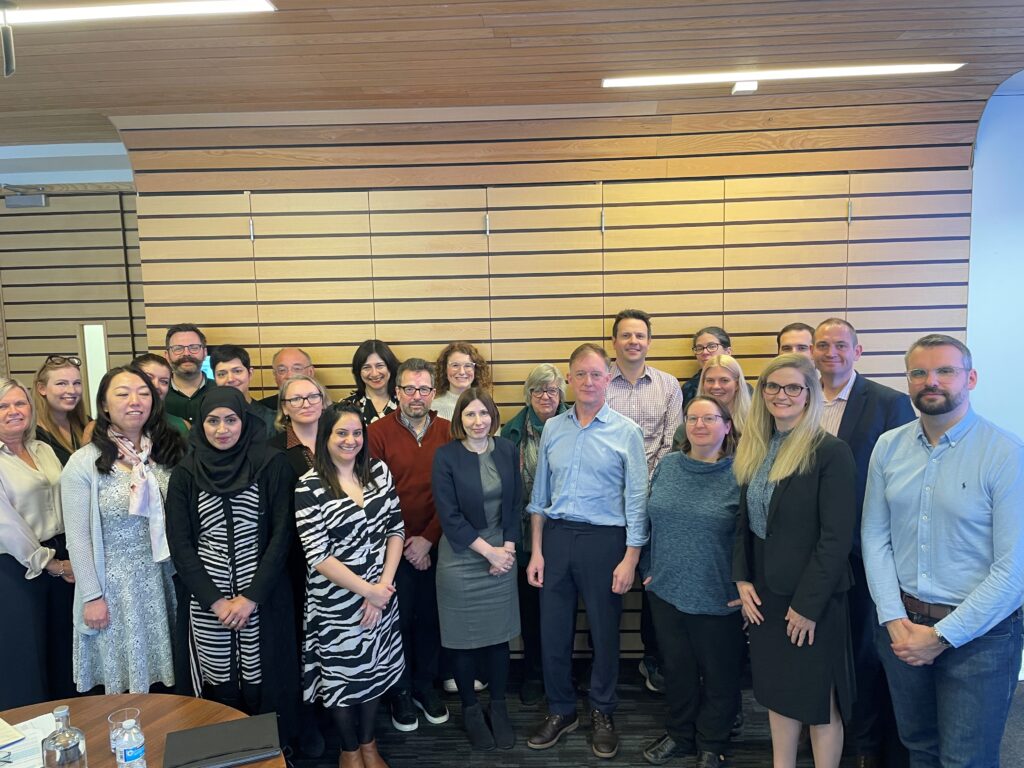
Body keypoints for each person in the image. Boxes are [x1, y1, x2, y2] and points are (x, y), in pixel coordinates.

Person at [862, 334, 1024, 768]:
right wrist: (894, 621)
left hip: (982, 638)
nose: (931, 381)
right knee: (920, 747)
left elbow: (1015, 570)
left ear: (970, 378)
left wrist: (940, 637)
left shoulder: (1006, 454)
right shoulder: (888, 447)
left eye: (945, 371)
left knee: (965, 760)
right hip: (902, 627)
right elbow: (875, 538)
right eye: (919, 373)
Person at [732, 354, 857, 768]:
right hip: (765, 594)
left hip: (812, 599)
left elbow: (836, 539)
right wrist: (742, 579)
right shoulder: (756, 448)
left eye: (792, 388)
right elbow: (743, 523)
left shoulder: (830, 452)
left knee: (819, 701)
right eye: (772, 387)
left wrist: (807, 606)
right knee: (777, 695)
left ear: (809, 395)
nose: (781, 395)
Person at [525, 343, 648, 759]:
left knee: (604, 632)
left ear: (608, 379)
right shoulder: (553, 430)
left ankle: (602, 710)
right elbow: (540, 495)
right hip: (556, 540)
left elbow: (637, 500)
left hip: (605, 543)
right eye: (581, 375)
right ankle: (561, 709)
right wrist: (537, 551)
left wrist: (631, 557)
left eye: (597, 374)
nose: (590, 381)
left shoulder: (626, 431)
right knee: (553, 633)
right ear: (569, 380)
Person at [812, 318, 915, 767]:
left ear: (858, 351)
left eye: (840, 345)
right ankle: (823, 735)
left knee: (865, 653)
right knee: (820, 653)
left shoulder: (890, 404)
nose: (831, 352)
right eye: (822, 345)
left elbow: (904, 476)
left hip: (863, 550)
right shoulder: (799, 397)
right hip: (808, 551)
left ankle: (866, 747)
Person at [165, 387, 299, 733]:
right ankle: (227, 752)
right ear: (200, 425)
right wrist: (217, 602)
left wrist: (250, 598)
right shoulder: (185, 473)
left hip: (261, 597)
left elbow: (281, 536)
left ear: (245, 422)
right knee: (219, 683)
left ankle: (268, 751)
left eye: (230, 420)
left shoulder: (271, 465)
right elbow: (180, 545)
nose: (222, 429)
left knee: (261, 679)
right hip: (209, 601)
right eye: (212, 421)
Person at [62, 364, 187, 693]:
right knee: (123, 685)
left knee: (168, 683)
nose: (135, 401)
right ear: (104, 405)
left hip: (162, 579)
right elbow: (78, 537)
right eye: (123, 394)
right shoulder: (84, 462)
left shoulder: (165, 453)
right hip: (113, 586)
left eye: (143, 393)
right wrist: (92, 596)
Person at [296, 403, 405, 768]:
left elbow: (396, 529)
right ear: (325, 436)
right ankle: (349, 749)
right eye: (341, 433)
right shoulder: (309, 485)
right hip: (336, 601)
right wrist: (367, 591)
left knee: (373, 671)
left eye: (357, 433)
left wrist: (382, 588)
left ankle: (369, 744)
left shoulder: (378, 471)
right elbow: (318, 555)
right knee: (342, 679)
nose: (350, 440)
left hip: (381, 592)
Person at [641, 396, 744, 768]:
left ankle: (712, 743)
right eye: (693, 418)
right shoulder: (668, 466)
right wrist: (648, 570)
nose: (700, 425)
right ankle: (681, 734)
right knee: (677, 670)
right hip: (666, 590)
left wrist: (744, 586)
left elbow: (752, 537)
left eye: (710, 418)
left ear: (727, 426)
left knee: (720, 674)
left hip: (719, 595)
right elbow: (649, 521)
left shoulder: (741, 473)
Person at [432, 389, 523, 750]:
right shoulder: (446, 456)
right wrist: (490, 553)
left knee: (499, 637)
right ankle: (470, 708)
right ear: (459, 420)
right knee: (462, 640)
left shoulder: (506, 450)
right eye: (469, 415)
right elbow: (449, 516)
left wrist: (509, 550)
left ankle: (497, 706)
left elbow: (515, 504)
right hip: (461, 556)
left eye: (483, 413)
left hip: (502, 552)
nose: (478, 421)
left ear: (493, 416)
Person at [367, 358, 451, 732]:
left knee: (431, 619)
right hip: (390, 548)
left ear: (434, 393)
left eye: (423, 389)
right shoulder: (376, 433)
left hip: (441, 544)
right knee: (397, 622)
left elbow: (454, 494)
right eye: (409, 389)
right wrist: (405, 544)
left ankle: (425, 686)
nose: (416, 396)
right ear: (396, 391)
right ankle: (399, 690)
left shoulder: (451, 431)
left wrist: (429, 539)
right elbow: (374, 498)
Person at [606, 308, 683, 694]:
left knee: (655, 583)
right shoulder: (598, 382)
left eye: (640, 335)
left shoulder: (669, 385)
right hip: (606, 502)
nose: (633, 341)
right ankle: (604, 664)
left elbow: (672, 445)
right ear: (614, 341)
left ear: (649, 341)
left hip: (656, 500)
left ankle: (653, 658)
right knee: (609, 583)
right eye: (626, 335)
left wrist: (642, 486)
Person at [0, 378, 76, 709]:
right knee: (28, 661)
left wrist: (72, 557)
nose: (14, 411)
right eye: (3, 406)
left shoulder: (43, 449)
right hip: (18, 567)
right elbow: (6, 525)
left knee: (65, 650)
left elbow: (69, 499)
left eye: (20, 403)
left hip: (64, 558)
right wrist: (51, 564)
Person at [499, 363, 568, 706]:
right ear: (527, 396)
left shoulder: (575, 425)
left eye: (552, 390)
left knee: (565, 610)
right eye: (538, 390)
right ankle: (533, 672)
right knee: (530, 609)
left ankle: (562, 674)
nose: (545, 396)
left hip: (568, 534)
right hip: (525, 538)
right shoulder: (511, 432)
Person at [672, 353, 752, 450]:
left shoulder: (754, 428)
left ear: (737, 385)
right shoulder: (685, 431)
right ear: (703, 384)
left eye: (724, 380)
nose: (716, 386)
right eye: (710, 380)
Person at [32, 355, 89, 466]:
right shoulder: (31, 434)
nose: (72, 390)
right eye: (61, 383)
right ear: (42, 389)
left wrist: (92, 425)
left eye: (76, 383)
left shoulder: (85, 424)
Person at [269, 374, 329, 478]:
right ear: (284, 408)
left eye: (313, 397)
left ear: (323, 403)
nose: (306, 405)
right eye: (296, 399)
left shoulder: (338, 441)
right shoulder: (272, 450)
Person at [211, 344, 276, 436]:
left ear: (250, 373)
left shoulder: (271, 420)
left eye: (237, 371)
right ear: (214, 378)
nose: (230, 379)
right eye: (222, 374)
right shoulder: (208, 419)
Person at [164, 323, 213, 423]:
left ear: (205, 353)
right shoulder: (156, 395)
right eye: (178, 348)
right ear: (167, 356)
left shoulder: (220, 391)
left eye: (194, 348)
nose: (186, 353)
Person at [133, 353, 191, 435]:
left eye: (164, 381)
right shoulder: (116, 424)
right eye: (148, 378)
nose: (156, 385)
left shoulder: (181, 426)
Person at [431, 342, 491, 421]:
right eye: (455, 365)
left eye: (468, 365)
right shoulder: (432, 408)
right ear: (444, 369)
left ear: (475, 369)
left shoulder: (487, 406)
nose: (462, 372)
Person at [346, 339, 399, 424]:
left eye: (380, 366)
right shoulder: (346, 407)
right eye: (366, 367)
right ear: (358, 372)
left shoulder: (406, 403)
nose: (374, 373)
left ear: (390, 367)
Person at [683, 327, 734, 405]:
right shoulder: (689, 389)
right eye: (699, 348)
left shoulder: (744, 389)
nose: (705, 352)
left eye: (712, 346)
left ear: (728, 351)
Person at [260, 348, 315, 412]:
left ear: (310, 372)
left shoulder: (325, 409)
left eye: (297, 369)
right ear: (275, 375)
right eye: (282, 370)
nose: (290, 376)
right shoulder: (262, 410)